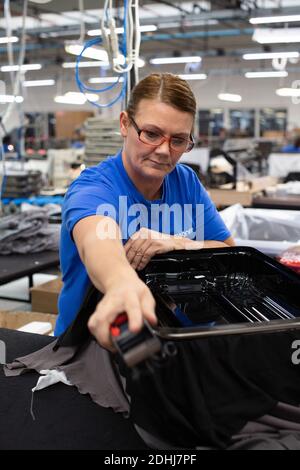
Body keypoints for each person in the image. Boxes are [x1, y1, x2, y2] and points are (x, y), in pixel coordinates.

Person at [55, 73, 235, 348]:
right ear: (125, 124)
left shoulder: (185, 181)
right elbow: (97, 238)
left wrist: (178, 243)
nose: (164, 150)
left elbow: (226, 249)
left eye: (178, 140)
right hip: (99, 350)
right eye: (151, 134)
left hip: (184, 342)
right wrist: (120, 284)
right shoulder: (95, 188)